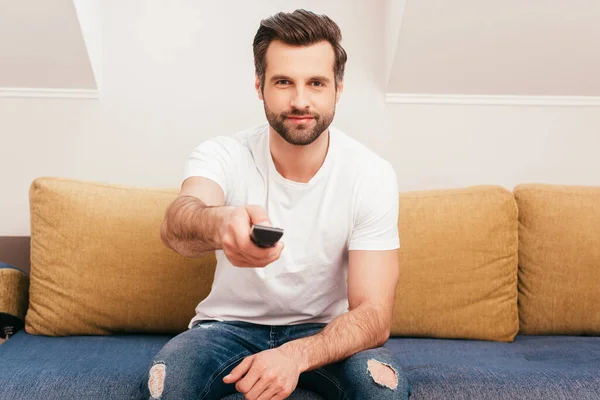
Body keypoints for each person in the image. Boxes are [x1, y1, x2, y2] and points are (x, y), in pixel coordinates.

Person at [141, 9, 410, 400]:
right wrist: (220, 224)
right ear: (259, 85)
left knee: (382, 389)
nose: (300, 100)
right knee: (165, 386)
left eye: (316, 83)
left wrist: (295, 355)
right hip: (225, 328)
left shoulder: (371, 174)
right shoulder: (223, 154)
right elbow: (178, 223)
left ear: (338, 87)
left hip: (325, 333)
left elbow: (374, 315)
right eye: (284, 82)